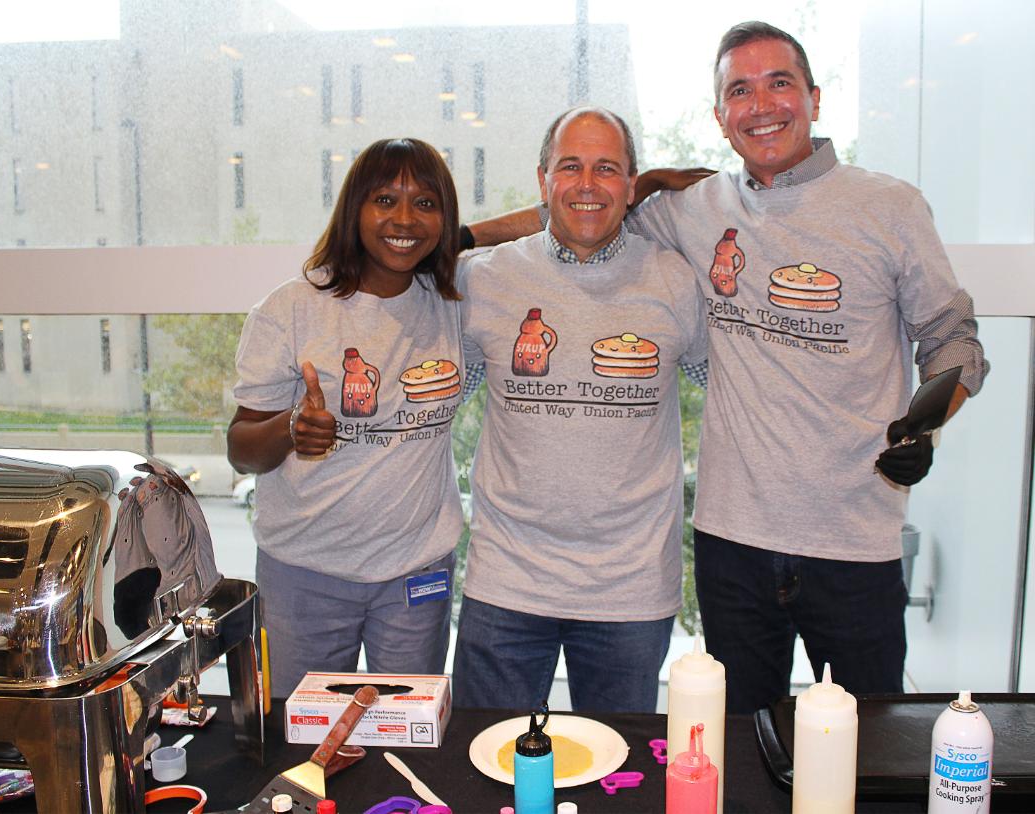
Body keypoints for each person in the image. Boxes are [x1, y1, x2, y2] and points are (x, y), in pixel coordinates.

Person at [466, 22, 988, 714]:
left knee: (869, 746)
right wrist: (460, 237)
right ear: (720, 115)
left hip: (855, 534)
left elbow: (954, 338)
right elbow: (579, 217)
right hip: (731, 542)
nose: (762, 104)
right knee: (739, 749)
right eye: (740, 90)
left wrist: (925, 424)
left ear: (815, 97)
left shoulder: (888, 207)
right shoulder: (696, 211)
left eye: (780, 83)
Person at [452, 107, 708, 713]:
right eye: (571, 167)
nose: (588, 185)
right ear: (543, 180)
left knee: (618, 784)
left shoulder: (677, 282)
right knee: (487, 770)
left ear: (631, 183)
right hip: (506, 578)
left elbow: (740, 383)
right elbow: (429, 402)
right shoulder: (483, 280)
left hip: (630, 587)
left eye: (606, 168)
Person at [227, 138, 465, 698]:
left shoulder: (452, 300)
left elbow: (533, 234)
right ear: (354, 209)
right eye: (385, 200)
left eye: (426, 204)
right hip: (304, 571)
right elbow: (240, 447)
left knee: (409, 737)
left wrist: (633, 193)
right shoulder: (291, 308)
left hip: (415, 570)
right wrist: (291, 429)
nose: (404, 219)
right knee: (298, 740)